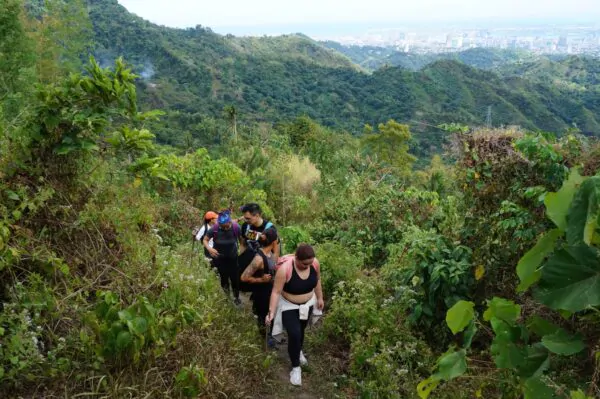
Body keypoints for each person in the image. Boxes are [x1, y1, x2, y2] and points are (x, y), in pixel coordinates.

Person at [266, 244, 324, 386]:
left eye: (310, 263)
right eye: (305, 264)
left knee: (301, 331)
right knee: (294, 334)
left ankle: (298, 351)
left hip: (308, 304)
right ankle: (296, 368)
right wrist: (271, 312)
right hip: (288, 305)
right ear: (297, 258)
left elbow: (317, 280)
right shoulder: (285, 269)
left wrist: (320, 298)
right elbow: (276, 292)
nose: (308, 266)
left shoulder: (315, 264)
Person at [204, 210, 242, 305]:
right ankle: (227, 298)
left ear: (230, 222)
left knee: (235, 279)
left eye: (225, 226)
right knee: (224, 279)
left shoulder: (236, 227)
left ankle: (236, 297)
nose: (224, 228)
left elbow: (242, 242)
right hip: (219, 259)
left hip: (233, 258)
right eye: (222, 226)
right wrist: (210, 249)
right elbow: (205, 240)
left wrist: (241, 254)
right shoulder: (215, 228)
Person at [240, 203, 280, 270]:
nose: (246, 220)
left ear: (257, 215)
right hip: (249, 263)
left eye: (248, 218)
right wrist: (241, 259)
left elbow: (276, 250)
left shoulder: (270, 228)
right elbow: (243, 244)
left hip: (264, 265)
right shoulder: (245, 226)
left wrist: (273, 267)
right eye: (245, 218)